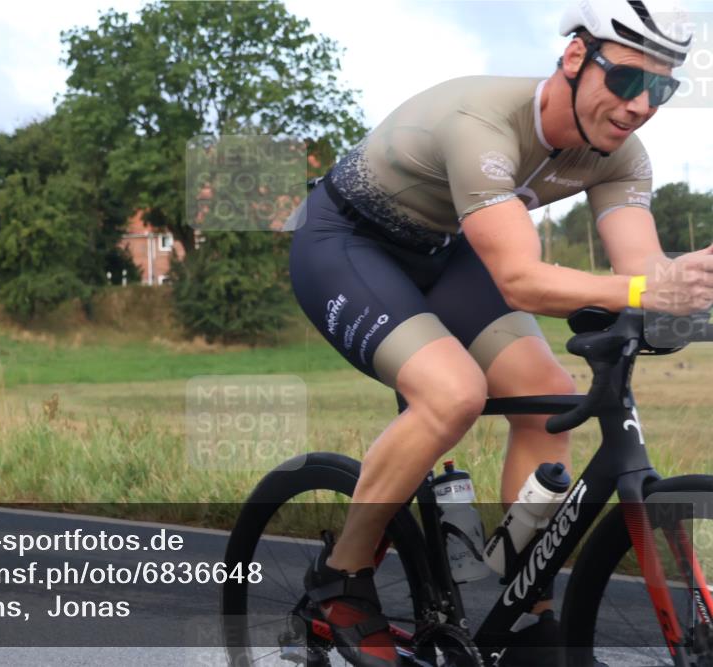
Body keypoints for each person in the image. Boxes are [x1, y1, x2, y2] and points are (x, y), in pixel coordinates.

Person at [289, 1, 712, 665]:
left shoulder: (622, 158)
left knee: (548, 397)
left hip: (444, 249)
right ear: (576, 58)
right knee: (451, 391)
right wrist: (643, 291)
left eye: (660, 90)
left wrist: (686, 292)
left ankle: (518, 597)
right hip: (346, 241)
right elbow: (519, 278)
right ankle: (337, 579)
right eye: (629, 81)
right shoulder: (483, 124)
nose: (639, 106)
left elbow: (646, 274)